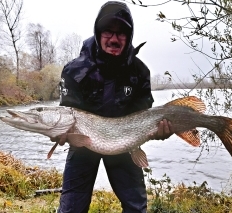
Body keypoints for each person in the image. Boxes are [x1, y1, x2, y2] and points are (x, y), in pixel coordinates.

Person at [54, 1, 175, 212]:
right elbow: (67, 112)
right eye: (108, 31)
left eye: (121, 33)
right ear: (98, 33)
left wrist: (157, 131)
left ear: (128, 37)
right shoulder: (74, 70)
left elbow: (144, 114)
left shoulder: (139, 72)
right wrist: (60, 132)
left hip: (125, 145)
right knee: (71, 209)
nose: (114, 38)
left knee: (136, 208)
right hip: (82, 147)